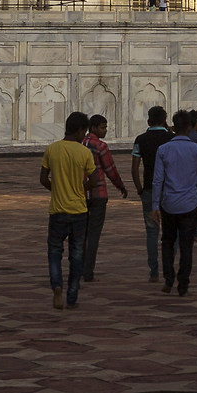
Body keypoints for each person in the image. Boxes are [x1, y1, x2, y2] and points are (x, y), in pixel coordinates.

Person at [41, 112, 96, 311]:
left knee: (55, 252)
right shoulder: (84, 152)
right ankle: (72, 294)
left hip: (57, 210)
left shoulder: (52, 149)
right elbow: (95, 180)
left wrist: (56, 189)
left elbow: (43, 178)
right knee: (77, 254)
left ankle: (57, 286)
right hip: (79, 210)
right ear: (80, 130)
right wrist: (80, 189)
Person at [153, 110, 197, 296]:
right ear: (189, 127)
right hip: (188, 204)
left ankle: (169, 278)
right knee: (186, 245)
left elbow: (157, 180)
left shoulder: (163, 149)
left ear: (174, 126)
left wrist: (155, 205)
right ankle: (183, 282)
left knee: (168, 242)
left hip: (169, 203)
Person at [79, 112, 128, 283]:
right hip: (98, 193)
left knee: (81, 233)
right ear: (93, 127)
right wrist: (120, 186)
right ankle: (88, 271)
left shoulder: (79, 144)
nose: (105, 131)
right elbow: (110, 169)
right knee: (93, 234)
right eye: (102, 127)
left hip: (81, 194)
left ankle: (79, 267)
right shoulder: (100, 146)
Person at [132, 106, 172, 283]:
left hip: (149, 189)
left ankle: (154, 271)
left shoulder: (141, 139)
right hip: (169, 190)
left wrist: (139, 188)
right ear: (165, 120)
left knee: (151, 231)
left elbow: (135, 168)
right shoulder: (171, 139)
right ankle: (169, 266)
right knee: (171, 230)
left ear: (148, 121)